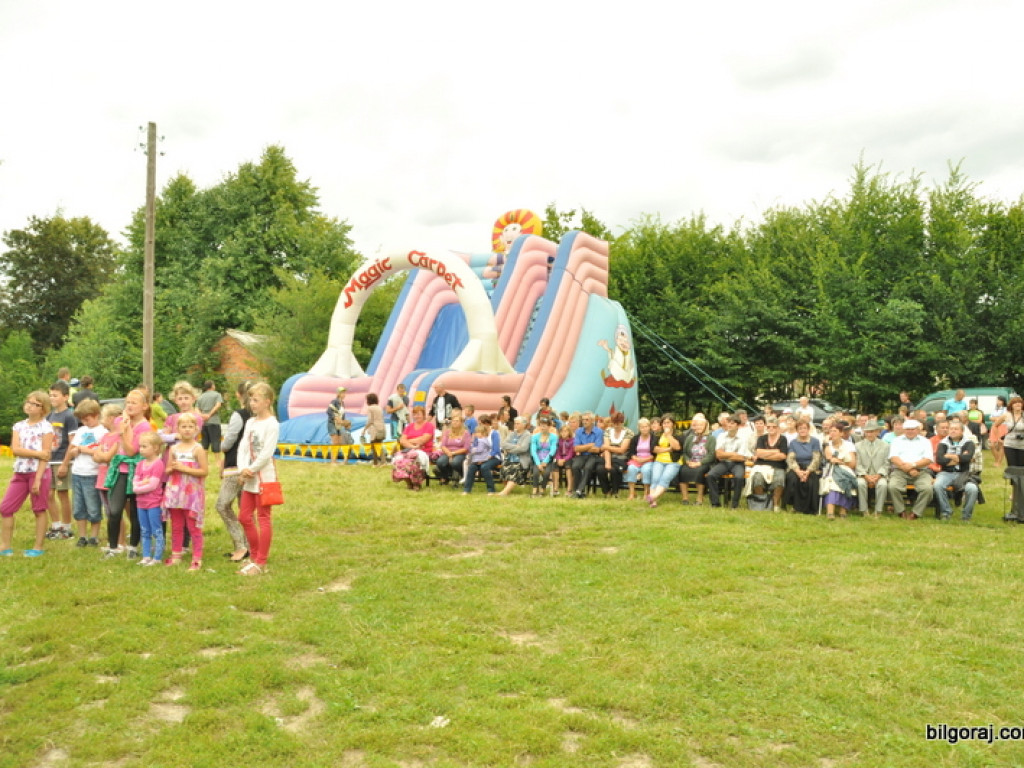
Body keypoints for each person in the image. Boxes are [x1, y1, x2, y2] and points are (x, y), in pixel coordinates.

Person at [95, 389, 152, 558]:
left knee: (135, 511)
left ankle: (133, 547)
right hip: (120, 470)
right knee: (114, 510)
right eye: (127, 402)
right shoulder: (120, 420)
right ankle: (113, 547)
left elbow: (132, 450)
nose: (129, 405)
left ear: (144, 406)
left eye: (134, 402)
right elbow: (111, 440)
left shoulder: (144, 426)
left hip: (137, 471)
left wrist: (125, 430)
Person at [0, 391, 54, 557]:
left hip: (38, 473)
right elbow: (15, 449)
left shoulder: (46, 427)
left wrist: (37, 479)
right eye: (28, 402)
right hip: (20, 472)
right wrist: (37, 454)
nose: (29, 405)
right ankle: (5, 546)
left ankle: (37, 547)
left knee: (39, 509)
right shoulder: (18, 426)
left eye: (35, 404)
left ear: (43, 409)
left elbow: (46, 457)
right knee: (5, 508)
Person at [237, 383, 280, 575]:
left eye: (255, 400)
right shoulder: (250, 422)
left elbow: (266, 453)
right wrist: (242, 469)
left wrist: (252, 469)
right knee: (244, 516)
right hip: (249, 477)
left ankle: (261, 562)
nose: (251, 403)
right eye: (250, 399)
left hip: (264, 477)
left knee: (263, 517)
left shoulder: (272, 424)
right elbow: (243, 447)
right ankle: (253, 556)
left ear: (267, 401)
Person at [163, 412, 208, 571]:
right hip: (175, 493)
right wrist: (172, 468)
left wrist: (185, 468)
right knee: (176, 524)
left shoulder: (198, 449)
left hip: (191, 494)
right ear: (178, 429)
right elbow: (167, 469)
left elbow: (204, 471)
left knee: (193, 525)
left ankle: (197, 556)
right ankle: (176, 553)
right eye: (184, 427)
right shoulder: (173, 448)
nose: (187, 430)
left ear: (196, 429)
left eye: (190, 427)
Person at [217, 381, 252, 562]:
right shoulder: (258, 415)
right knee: (244, 507)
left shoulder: (239, 415)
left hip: (235, 465)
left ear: (239, 395)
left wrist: (221, 448)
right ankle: (248, 546)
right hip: (250, 466)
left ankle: (241, 545)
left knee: (222, 505)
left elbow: (229, 440)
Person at [67, 398, 106, 547]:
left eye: (87, 419)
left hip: (92, 473)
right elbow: (73, 448)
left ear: (96, 415)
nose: (84, 422)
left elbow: (101, 452)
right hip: (78, 472)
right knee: (78, 507)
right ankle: (82, 536)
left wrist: (84, 450)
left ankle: (94, 536)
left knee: (93, 506)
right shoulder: (81, 430)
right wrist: (75, 451)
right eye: (82, 420)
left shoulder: (102, 432)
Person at [44, 380, 78, 541]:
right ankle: (56, 525)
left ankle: (67, 527)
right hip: (49, 460)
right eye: (50, 395)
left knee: (62, 494)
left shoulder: (69, 416)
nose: (52, 398)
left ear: (65, 397)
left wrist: (65, 463)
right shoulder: (50, 416)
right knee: (49, 494)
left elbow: (72, 442)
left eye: (55, 395)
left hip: (61, 460)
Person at [933, 421, 981, 521]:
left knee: (972, 489)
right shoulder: (943, 443)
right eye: (951, 429)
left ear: (962, 431)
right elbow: (940, 460)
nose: (953, 431)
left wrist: (949, 456)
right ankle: (946, 512)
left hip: (963, 474)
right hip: (946, 473)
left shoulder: (969, 443)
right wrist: (959, 458)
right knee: (937, 485)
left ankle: (966, 516)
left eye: (956, 429)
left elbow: (967, 458)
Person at [887, 419, 934, 520]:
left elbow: (928, 459)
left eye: (913, 429)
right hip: (900, 471)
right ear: (904, 430)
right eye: (907, 429)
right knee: (892, 486)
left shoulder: (925, 441)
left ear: (918, 430)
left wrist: (913, 465)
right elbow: (893, 458)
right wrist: (908, 469)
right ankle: (900, 510)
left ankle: (916, 512)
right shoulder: (897, 440)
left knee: (927, 489)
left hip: (921, 471)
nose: (910, 431)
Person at [131, 432, 166, 567]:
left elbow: (152, 485)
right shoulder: (140, 464)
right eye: (140, 446)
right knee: (144, 530)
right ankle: (146, 556)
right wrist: (141, 484)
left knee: (156, 530)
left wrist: (138, 486)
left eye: (145, 446)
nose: (141, 449)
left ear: (156, 448)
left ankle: (157, 557)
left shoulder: (158, 464)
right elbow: (135, 481)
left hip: (153, 503)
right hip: (141, 503)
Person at [707, 414, 751, 508]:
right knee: (710, 475)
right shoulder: (721, 436)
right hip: (724, 463)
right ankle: (715, 503)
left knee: (739, 477)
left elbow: (741, 457)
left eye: (732, 423)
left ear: (738, 425)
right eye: (728, 423)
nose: (729, 425)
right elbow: (718, 455)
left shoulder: (743, 437)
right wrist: (734, 454)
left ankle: (735, 504)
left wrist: (726, 454)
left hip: (738, 464)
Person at [392, 406, 436, 490]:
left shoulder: (429, 426)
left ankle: (416, 483)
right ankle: (408, 482)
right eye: (414, 414)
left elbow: (424, 439)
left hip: (424, 451)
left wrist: (409, 440)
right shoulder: (409, 427)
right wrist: (413, 446)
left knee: (414, 459)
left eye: (418, 414)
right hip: (410, 449)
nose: (416, 416)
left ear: (423, 415)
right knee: (399, 459)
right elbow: (402, 440)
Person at [820, 424, 858, 519]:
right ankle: (830, 512)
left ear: (841, 433)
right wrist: (827, 443)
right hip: (830, 469)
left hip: (846, 469)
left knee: (845, 480)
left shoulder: (849, 445)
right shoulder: (827, 445)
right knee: (832, 481)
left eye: (835, 431)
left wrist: (840, 462)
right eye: (830, 431)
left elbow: (852, 463)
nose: (832, 433)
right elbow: (829, 457)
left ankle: (843, 511)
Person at [785, 419, 822, 515]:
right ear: (797, 430)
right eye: (800, 428)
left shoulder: (815, 441)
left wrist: (807, 472)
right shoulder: (793, 442)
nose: (802, 430)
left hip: (811, 467)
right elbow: (791, 459)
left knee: (810, 481)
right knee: (792, 479)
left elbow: (816, 458)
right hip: (797, 466)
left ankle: (809, 508)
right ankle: (794, 506)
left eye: (804, 428)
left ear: (808, 429)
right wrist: (798, 472)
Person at [678, 415, 716, 505]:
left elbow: (711, 454)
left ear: (705, 426)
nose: (698, 427)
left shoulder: (711, 438)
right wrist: (687, 461)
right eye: (697, 425)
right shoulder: (690, 438)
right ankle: (685, 498)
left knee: (699, 472)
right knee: (682, 470)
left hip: (704, 463)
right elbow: (685, 452)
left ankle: (699, 499)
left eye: (701, 425)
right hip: (691, 461)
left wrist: (699, 463)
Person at [751, 417, 787, 512]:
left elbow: (783, 456)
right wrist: (775, 451)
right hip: (761, 465)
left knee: (779, 479)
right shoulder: (762, 438)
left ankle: (775, 505)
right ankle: (761, 503)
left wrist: (765, 455)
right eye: (769, 427)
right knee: (757, 478)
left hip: (778, 466)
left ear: (778, 428)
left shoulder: (783, 439)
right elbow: (758, 453)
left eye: (774, 427)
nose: (771, 429)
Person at [855, 420, 889, 517]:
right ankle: (864, 510)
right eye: (867, 431)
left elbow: (886, 463)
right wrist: (865, 476)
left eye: (872, 431)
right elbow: (858, 463)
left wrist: (879, 475)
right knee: (860, 483)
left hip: (879, 474)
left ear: (878, 432)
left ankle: (878, 511)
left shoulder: (885, 445)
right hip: (864, 474)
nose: (869, 434)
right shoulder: (858, 445)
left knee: (883, 484)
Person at [646, 415, 682, 508]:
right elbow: (653, 449)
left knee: (665, 478)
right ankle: (653, 501)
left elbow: (677, 448)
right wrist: (668, 449)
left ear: (673, 424)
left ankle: (652, 497)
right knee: (655, 479)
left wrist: (669, 435)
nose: (666, 425)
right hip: (659, 460)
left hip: (673, 462)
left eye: (668, 422)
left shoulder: (679, 434)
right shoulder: (657, 434)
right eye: (664, 423)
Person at [462, 416, 501, 495]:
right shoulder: (479, 436)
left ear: (486, 424)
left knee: (484, 467)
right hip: (479, 457)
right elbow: (476, 447)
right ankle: (467, 489)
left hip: (493, 457)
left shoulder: (494, 434)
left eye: (480, 423)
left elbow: (496, 450)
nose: (479, 425)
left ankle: (491, 490)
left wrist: (485, 459)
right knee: (472, 467)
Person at [597, 412, 631, 497]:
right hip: (609, 456)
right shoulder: (608, 431)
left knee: (614, 470)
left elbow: (622, 450)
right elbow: (606, 449)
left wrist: (608, 447)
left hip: (621, 458)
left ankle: (615, 491)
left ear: (622, 422)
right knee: (600, 469)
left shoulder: (628, 432)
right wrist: (607, 462)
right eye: (614, 423)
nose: (616, 425)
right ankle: (606, 491)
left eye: (618, 423)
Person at [571, 412, 604, 499]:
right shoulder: (579, 431)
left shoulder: (599, 431)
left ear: (592, 421)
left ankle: (579, 490)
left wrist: (583, 447)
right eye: (583, 420)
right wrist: (590, 445)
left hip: (594, 456)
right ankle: (577, 490)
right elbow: (576, 448)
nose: (584, 422)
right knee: (575, 466)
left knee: (588, 468)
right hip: (582, 455)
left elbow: (597, 449)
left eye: (587, 419)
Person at [497, 416, 533, 496]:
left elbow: (523, 448)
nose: (516, 425)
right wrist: (516, 446)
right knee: (504, 469)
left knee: (515, 470)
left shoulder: (527, 435)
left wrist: (510, 449)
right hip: (509, 458)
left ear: (524, 425)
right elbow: (503, 444)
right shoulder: (512, 434)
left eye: (518, 424)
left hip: (521, 460)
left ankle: (504, 492)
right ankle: (506, 490)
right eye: (515, 423)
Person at [435, 410, 471, 485]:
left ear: (461, 423)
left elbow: (466, 448)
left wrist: (453, 453)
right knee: (440, 462)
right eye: (453, 421)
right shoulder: (447, 432)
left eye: (457, 421)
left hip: (460, 453)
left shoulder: (466, 433)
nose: (454, 422)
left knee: (455, 463)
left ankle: (464, 475)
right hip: (447, 452)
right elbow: (443, 445)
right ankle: (446, 477)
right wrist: (448, 453)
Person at [625, 418, 655, 501]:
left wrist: (645, 460)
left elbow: (654, 454)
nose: (644, 429)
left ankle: (646, 493)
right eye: (642, 427)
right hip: (637, 459)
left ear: (649, 427)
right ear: (639, 428)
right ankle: (631, 493)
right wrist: (636, 458)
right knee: (631, 468)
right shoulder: (635, 438)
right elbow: (631, 452)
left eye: (646, 427)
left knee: (646, 470)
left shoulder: (654, 438)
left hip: (649, 459)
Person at [530, 417, 558, 496]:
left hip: (548, 459)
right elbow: (533, 451)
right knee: (535, 472)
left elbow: (553, 450)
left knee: (546, 473)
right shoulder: (535, 437)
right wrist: (538, 463)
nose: (542, 427)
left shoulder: (553, 437)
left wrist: (545, 461)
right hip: (537, 459)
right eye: (541, 426)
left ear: (549, 427)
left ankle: (543, 488)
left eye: (544, 426)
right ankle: (535, 489)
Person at [197, 380, 225, 453]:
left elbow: (196, 408)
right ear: (212, 386)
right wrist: (209, 414)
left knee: (204, 442)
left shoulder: (201, 396)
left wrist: (202, 416)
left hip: (204, 423)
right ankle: (217, 461)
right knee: (216, 441)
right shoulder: (217, 394)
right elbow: (218, 405)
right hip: (214, 421)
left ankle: (204, 459)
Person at [552, 424, 576, 497]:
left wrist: (564, 460)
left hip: (569, 458)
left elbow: (571, 453)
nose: (563, 433)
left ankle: (569, 489)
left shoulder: (572, 441)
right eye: (562, 431)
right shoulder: (559, 441)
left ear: (569, 432)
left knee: (568, 467)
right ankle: (555, 488)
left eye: (565, 431)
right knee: (554, 466)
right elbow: (557, 451)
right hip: (560, 458)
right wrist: (559, 459)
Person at [364, 393, 387, 466]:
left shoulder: (370, 408)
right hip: (382, 428)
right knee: (379, 445)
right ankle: (383, 461)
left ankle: (375, 463)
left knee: (374, 447)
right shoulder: (379, 408)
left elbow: (370, 420)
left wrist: (364, 429)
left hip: (375, 429)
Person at [327, 387, 347, 466]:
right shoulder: (334, 401)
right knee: (335, 441)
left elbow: (343, 414)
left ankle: (335, 460)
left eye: (345, 393)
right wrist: (336, 418)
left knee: (339, 442)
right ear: (338, 393)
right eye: (342, 393)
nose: (344, 394)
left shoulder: (343, 403)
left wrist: (343, 422)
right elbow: (329, 411)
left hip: (339, 425)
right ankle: (333, 461)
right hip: (332, 423)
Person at [990, 395, 1009, 467]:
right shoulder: (995, 409)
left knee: (1001, 444)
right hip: (994, 427)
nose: (998, 402)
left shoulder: (1006, 409)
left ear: (1003, 401)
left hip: (1002, 426)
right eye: (997, 400)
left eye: (1000, 400)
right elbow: (991, 418)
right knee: (992, 445)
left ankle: (999, 462)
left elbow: (1004, 418)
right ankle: (997, 459)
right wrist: (997, 418)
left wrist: (997, 418)